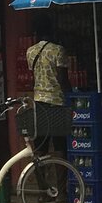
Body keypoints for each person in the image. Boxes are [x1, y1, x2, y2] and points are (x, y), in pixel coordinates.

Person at [25, 12, 70, 157]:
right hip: (57, 102)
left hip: (39, 103)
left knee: (41, 145)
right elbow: (62, 79)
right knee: (60, 146)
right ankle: (62, 180)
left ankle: (41, 178)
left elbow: (34, 76)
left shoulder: (30, 51)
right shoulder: (58, 50)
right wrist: (71, 96)